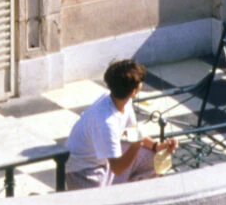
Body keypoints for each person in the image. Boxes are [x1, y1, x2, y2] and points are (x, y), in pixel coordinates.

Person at [64, 59, 177, 190]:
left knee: (152, 159)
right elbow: (117, 168)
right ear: (134, 91)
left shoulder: (119, 99)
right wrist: (136, 145)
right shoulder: (107, 122)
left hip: (103, 160)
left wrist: (156, 146)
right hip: (84, 172)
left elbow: (133, 132)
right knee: (103, 203)